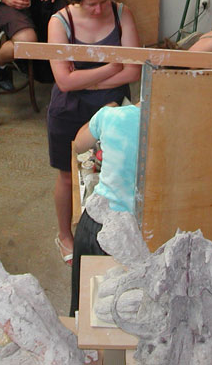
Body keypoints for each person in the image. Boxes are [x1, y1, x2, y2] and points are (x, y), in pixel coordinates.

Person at [47, 0, 141, 265]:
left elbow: (134, 71)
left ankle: (113, 236)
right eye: (92, 5)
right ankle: (65, 235)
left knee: (113, 174)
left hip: (112, 108)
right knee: (67, 176)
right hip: (69, 109)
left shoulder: (122, 13)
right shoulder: (59, 23)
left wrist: (86, 79)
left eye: (104, 1)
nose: (100, 9)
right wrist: (112, 66)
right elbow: (64, 81)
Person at [69, 102, 141, 316]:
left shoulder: (113, 116)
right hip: (142, 235)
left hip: (101, 230)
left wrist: (104, 113)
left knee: (86, 314)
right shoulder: (196, 130)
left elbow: (78, 144)